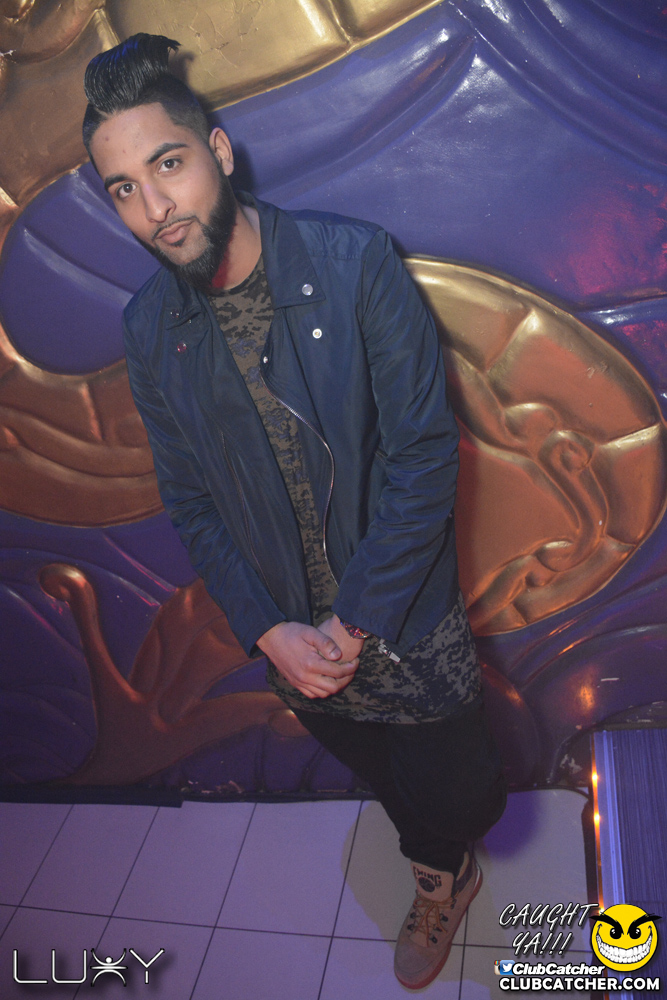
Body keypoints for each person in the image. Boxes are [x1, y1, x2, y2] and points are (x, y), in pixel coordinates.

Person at [82, 33, 506, 990]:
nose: (154, 209)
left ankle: (446, 862)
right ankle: (435, 880)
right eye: (123, 189)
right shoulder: (149, 328)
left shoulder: (354, 263)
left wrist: (354, 621)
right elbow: (191, 500)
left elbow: (423, 457)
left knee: (458, 791)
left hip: (399, 615)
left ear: (218, 151)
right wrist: (267, 628)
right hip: (290, 642)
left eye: (168, 165)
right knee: (386, 779)